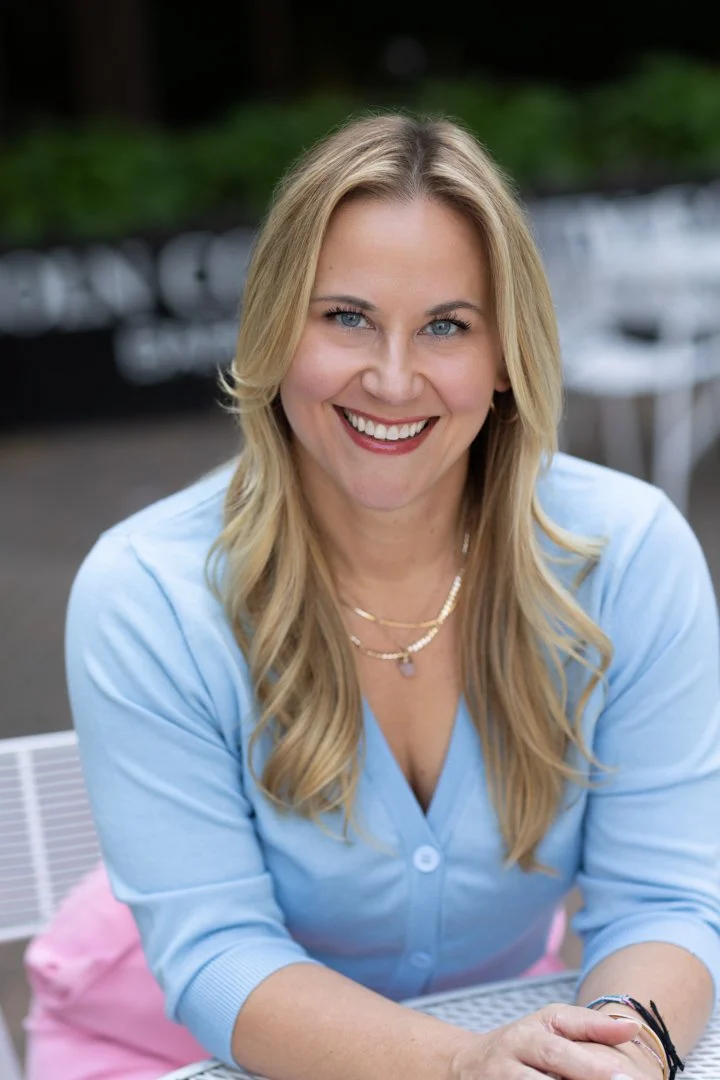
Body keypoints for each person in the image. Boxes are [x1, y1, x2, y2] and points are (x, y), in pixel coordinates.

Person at [23, 112, 720, 1080]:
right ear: (275, 331)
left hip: (499, 1027)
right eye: (345, 317)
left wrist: (623, 1050)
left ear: (507, 357)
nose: (393, 380)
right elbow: (219, 952)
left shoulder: (631, 558)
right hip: (165, 1049)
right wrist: (462, 1066)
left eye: (446, 325)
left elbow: (665, 902)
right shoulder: (147, 595)